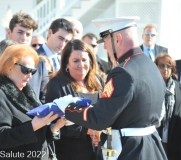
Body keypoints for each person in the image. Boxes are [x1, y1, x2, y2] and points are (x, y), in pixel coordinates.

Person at [53, 17, 168, 160]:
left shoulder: (123, 72)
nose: (105, 47)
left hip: (130, 150)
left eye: (105, 40)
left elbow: (99, 118)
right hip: (151, 147)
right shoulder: (149, 64)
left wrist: (67, 107)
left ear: (118, 38)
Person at [0, 44, 65, 159]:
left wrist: (54, 127)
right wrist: (32, 126)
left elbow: (37, 133)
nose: (30, 76)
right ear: (8, 66)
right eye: (26, 70)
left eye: (33, 71)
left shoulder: (28, 94)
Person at [45, 39, 104, 160]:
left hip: (98, 152)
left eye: (84, 60)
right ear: (66, 63)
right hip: (69, 153)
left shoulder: (99, 81)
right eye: (75, 61)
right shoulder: (56, 85)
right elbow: (52, 123)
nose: (81, 65)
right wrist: (88, 131)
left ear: (91, 62)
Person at [7, 11, 49, 104]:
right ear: (9, 33)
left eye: (28, 34)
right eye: (20, 32)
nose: (24, 38)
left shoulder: (39, 64)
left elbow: (45, 96)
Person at [154, 53, 181, 160]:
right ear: (156, 67)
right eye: (162, 65)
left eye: (169, 66)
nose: (165, 69)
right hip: (156, 136)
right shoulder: (151, 86)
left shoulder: (178, 88)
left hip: (174, 138)